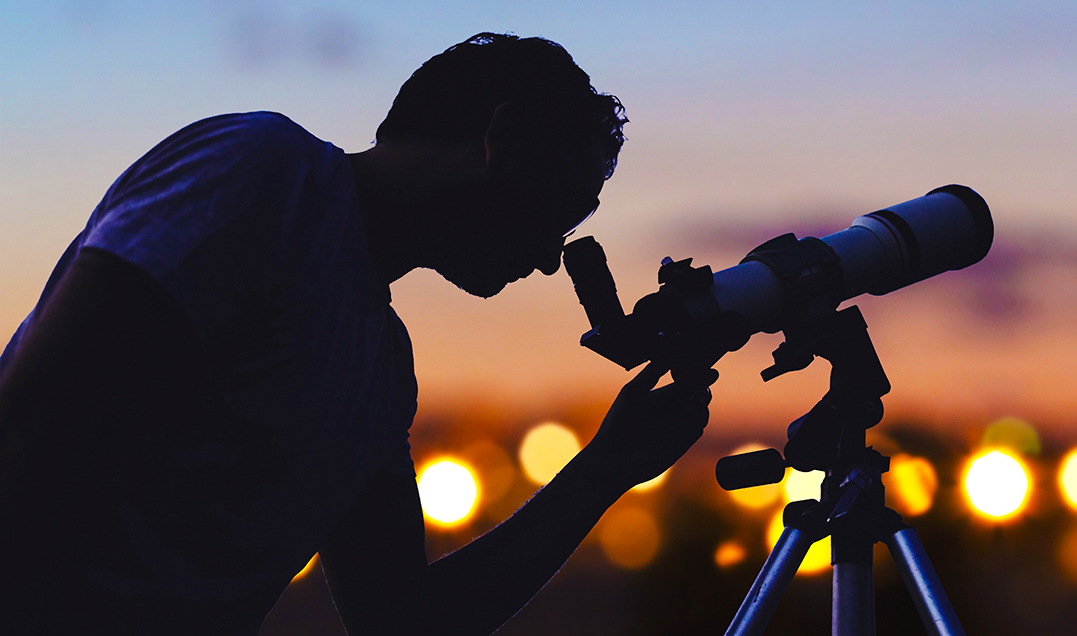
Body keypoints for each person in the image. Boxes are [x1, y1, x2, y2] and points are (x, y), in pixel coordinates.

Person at [0, 32, 714, 635]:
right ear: (504, 140)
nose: (550, 255)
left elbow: (402, 619)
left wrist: (606, 469)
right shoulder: (265, 175)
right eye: (559, 207)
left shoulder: (379, 366)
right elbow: (34, 418)